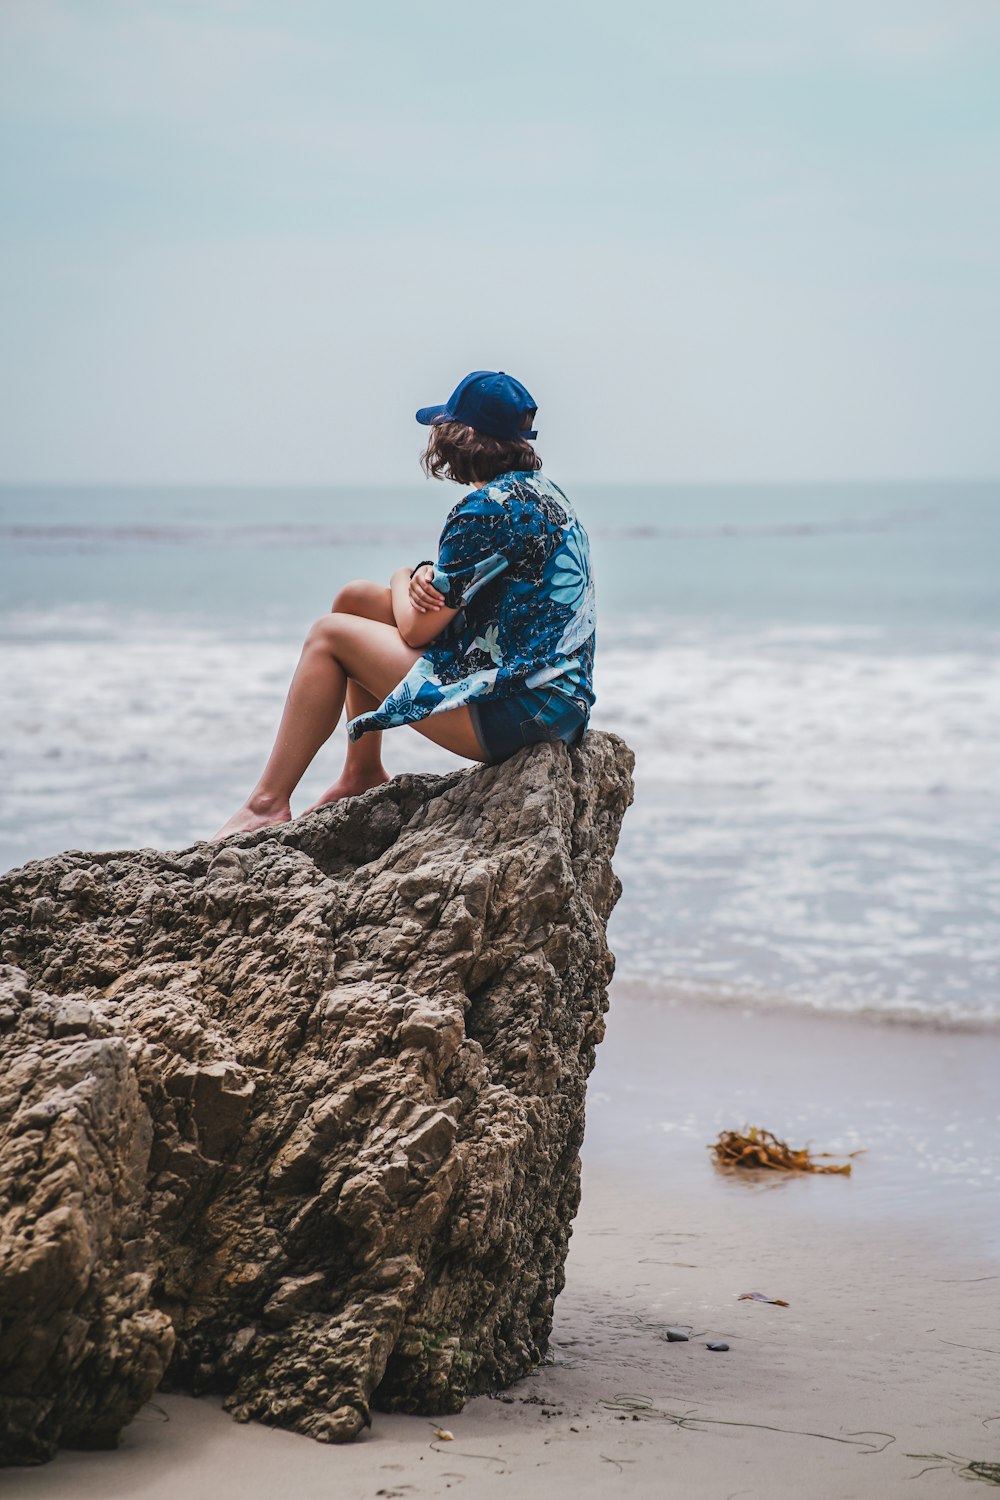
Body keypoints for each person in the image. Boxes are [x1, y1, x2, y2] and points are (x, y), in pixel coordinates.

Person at [212, 370, 596, 840]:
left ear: (465, 436)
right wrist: (418, 578)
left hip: (518, 713)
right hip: (559, 701)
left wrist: (404, 575)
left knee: (328, 636)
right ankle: (361, 773)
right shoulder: (546, 494)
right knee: (353, 600)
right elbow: (452, 598)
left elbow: (418, 630)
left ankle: (266, 804)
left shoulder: (485, 510)